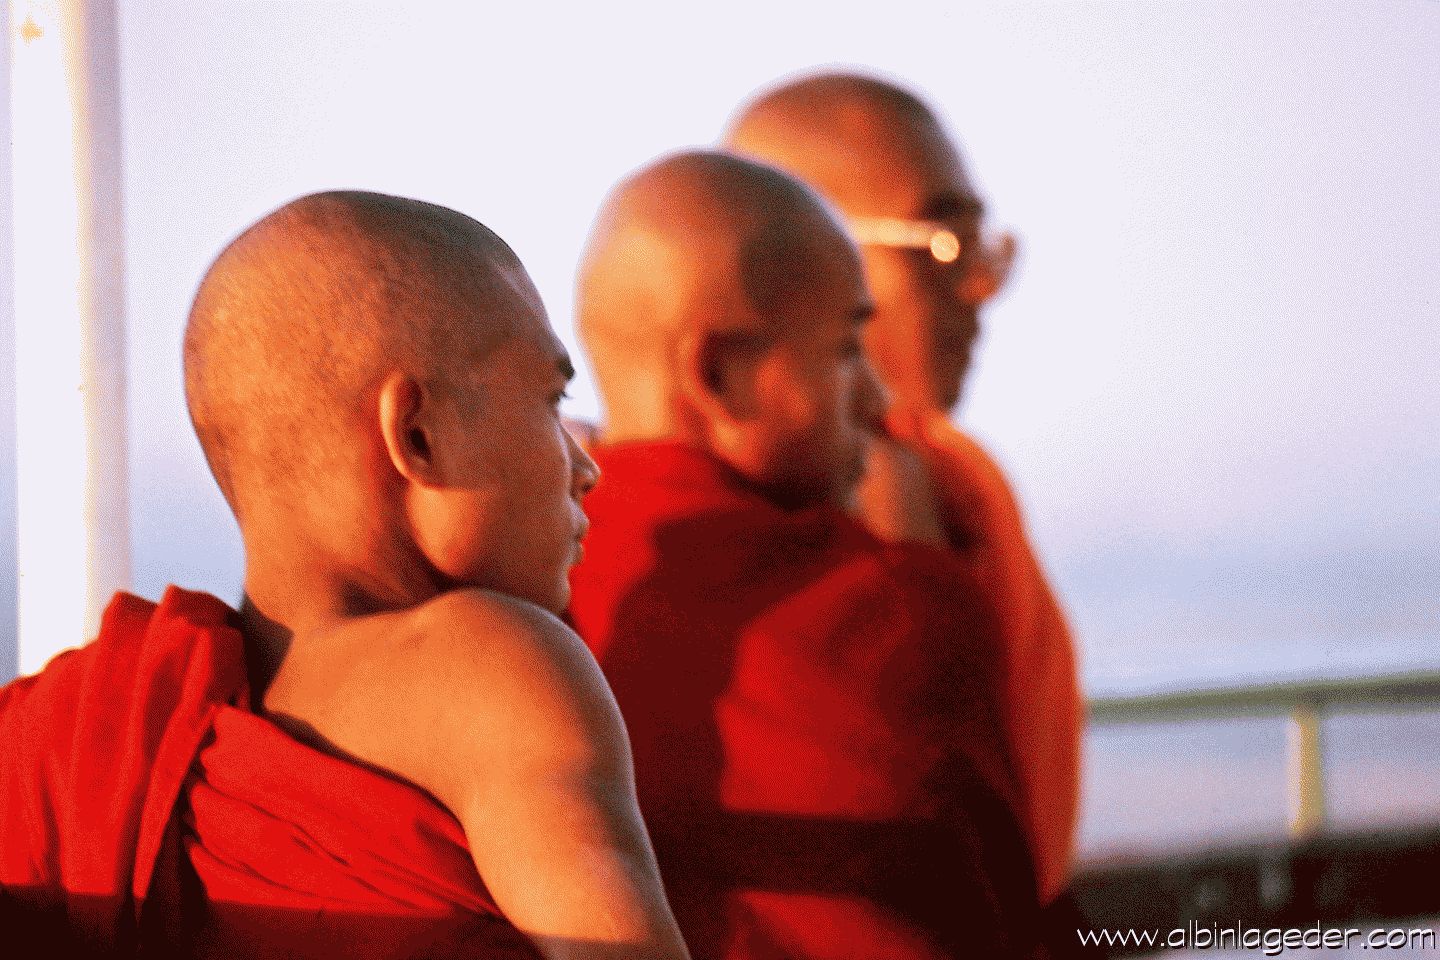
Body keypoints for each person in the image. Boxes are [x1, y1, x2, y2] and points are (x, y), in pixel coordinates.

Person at [0, 191, 690, 960]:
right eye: (552, 400)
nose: (587, 466)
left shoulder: (74, 739)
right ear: (415, 436)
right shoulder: (492, 667)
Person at [568, 150, 1061, 959]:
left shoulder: (529, 590)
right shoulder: (896, 605)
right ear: (717, 373)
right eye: (844, 351)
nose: (874, 399)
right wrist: (919, 570)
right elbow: (1001, 907)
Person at [722, 72, 1083, 904]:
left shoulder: (951, 473)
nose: (981, 286)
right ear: (799, 263)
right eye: (942, 244)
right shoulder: (655, 516)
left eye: (982, 245)